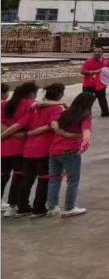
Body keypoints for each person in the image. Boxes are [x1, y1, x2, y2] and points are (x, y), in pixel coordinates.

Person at [13, 83, 65, 217]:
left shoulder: (34, 108)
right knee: (44, 179)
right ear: (60, 94)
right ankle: (39, 208)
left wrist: (5, 134)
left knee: (26, 179)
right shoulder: (57, 109)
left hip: (28, 149)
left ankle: (22, 208)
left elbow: (19, 124)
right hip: (44, 149)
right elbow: (52, 125)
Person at [45, 90, 94, 217]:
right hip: (70, 151)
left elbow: (54, 125)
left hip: (54, 150)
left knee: (54, 179)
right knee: (73, 180)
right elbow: (86, 133)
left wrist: (63, 133)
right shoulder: (85, 116)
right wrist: (83, 145)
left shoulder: (64, 113)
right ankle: (69, 207)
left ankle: (52, 207)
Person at [2, 81, 34, 214]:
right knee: (19, 176)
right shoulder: (29, 105)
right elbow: (23, 124)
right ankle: (13, 205)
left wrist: (8, 134)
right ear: (31, 93)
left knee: (3, 175)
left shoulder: (5, 105)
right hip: (20, 146)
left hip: (4, 145)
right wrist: (17, 134)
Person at [81, 48, 109, 118]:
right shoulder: (88, 62)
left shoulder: (105, 60)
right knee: (87, 100)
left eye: (99, 52)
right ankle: (86, 115)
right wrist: (95, 71)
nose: (97, 53)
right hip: (88, 85)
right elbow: (82, 71)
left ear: (102, 53)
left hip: (100, 84)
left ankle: (105, 113)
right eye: (95, 52)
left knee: (102, 99)